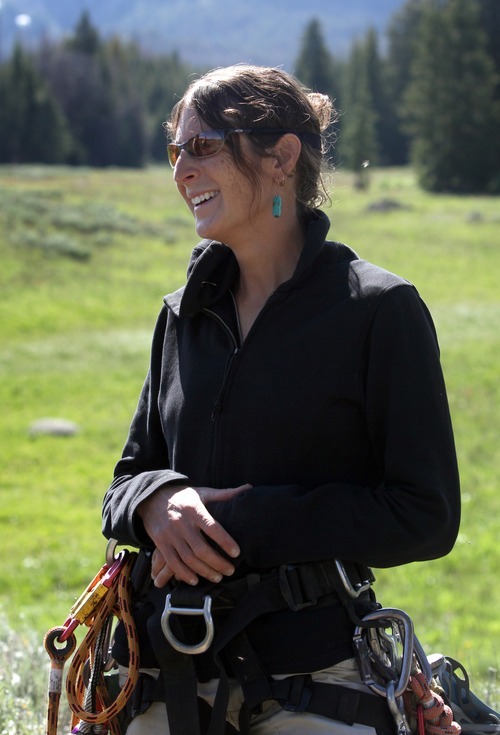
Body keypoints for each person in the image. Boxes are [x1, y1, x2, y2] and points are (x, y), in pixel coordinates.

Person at [102, 64, 460, 735]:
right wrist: (155, 501)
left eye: (204, 146)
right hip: (165, 672)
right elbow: (125, 479)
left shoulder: (379, 310)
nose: (182, 170)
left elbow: (426, 513)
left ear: (281, 157)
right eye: (176, 151)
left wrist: (251, 519)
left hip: (316, 677)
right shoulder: (181, 316)